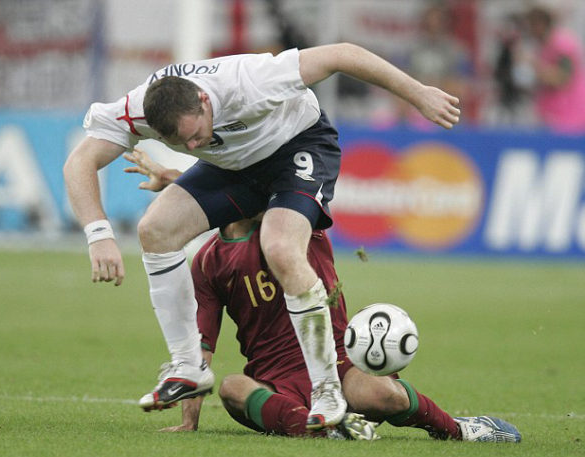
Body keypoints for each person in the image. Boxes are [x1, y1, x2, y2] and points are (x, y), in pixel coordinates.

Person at [63, 41, 461, 430]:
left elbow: (342, 54)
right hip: (236, 166)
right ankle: (188, 367)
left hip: (298, 147)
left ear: (204, 101)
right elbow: (81, 160)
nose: (192, 145)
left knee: (280, 246)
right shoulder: (137, 111)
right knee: (155, 230)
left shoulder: (249, 81)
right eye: (178, 143)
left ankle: (326, 391)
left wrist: (418, 93)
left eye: (195, 134)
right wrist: (99, 234)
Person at [125, 149, 521, 443]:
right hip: (276, 380)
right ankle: (331, 430)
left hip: (337, 366)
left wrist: (179, 179)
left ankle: (462, 431)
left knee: (382, 392)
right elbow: (201, 349)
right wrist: (189, 421)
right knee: (232, 387)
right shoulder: (208, 263)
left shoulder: (292, 226)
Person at [524, 5, 585, 133]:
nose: (528, 31)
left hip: (570, 117)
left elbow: (562, 78)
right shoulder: (540, 46)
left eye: (531, 26)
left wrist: (533, 65)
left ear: (540, 24)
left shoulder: (563, 43)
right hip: (549, 115)